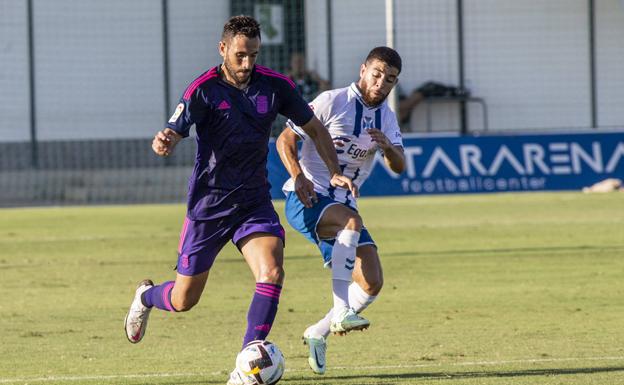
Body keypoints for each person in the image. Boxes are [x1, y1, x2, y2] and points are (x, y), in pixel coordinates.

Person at [123, 15, 357, 385]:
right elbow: (174, 128)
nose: (247, 64)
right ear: (223, 49)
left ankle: (243, 369)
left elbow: (314, 128)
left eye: (253, 55)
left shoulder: (275, 86)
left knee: (273, 272)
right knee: (184, 299)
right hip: (209, 205)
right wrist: (165, 139)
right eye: (240, 56)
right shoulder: (203, 88)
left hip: (253, 201)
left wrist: (332, 172)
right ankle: (147, 297)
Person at [276, 46, 406, 375]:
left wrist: (388, 147)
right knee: (351, 220)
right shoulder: (332, 101)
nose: (381, 83)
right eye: (377, 74)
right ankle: (341, 311)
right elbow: (284, 141)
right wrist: (298, 176)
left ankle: (318, 332)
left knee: (373, 281)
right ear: (363, 70)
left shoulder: (386, 117)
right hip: (306, 196)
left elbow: (400, 166)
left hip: (343, 205)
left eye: (389, 79)